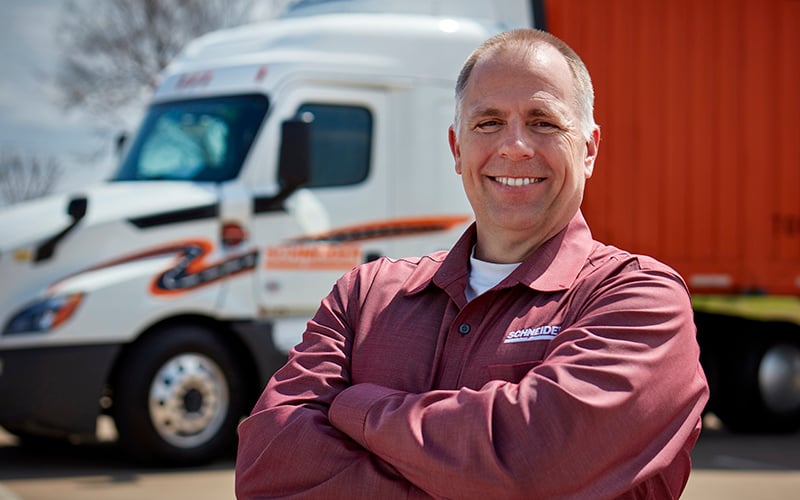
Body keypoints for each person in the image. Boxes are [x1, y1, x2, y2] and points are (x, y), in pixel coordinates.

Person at [235, 28, 709, 499]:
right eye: (488, 123)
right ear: (457, 149)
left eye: (544, 122)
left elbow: (532, 466)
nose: (515, 145)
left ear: (589, 149)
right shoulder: (363, 297)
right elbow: (268, 467)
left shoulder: (641, 299)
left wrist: (357, 408)